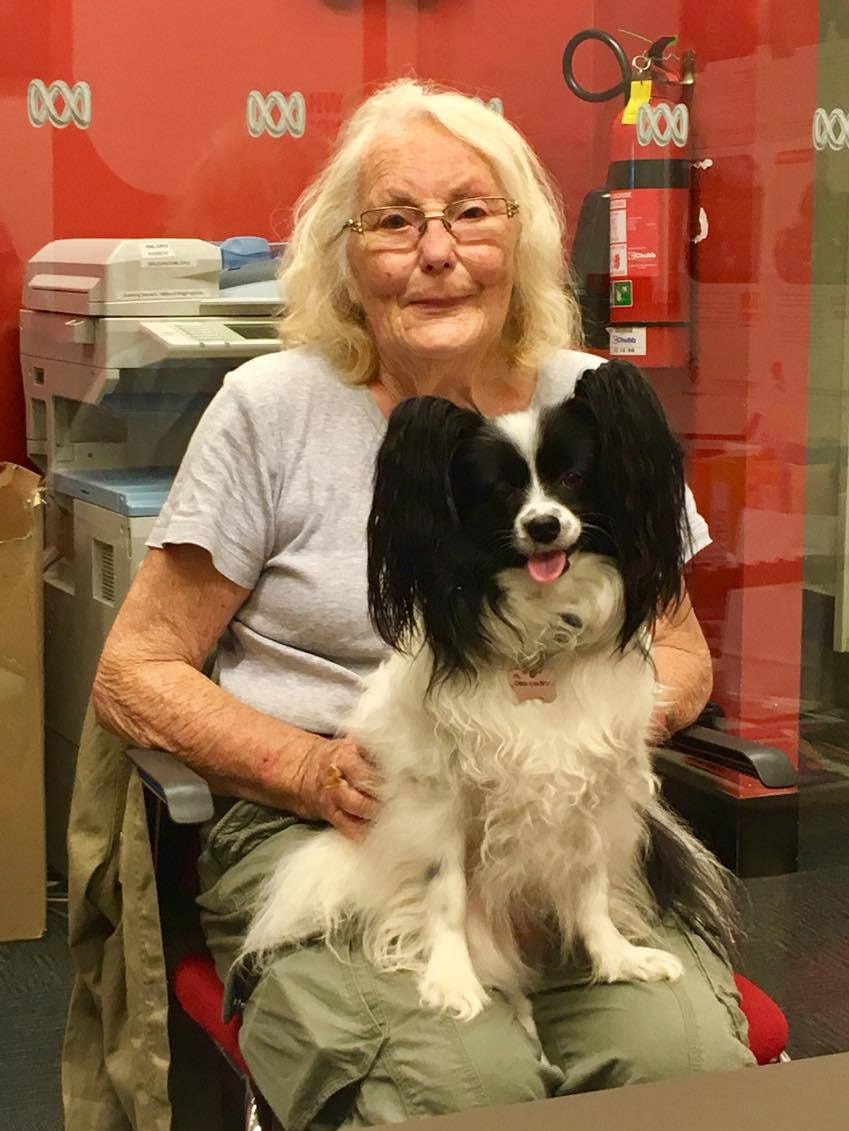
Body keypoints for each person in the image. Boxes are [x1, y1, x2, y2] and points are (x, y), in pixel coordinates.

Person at [89, 78, 754, 1130]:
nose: (436, 251)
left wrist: (590, 720)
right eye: (394, 221)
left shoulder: (591, 405)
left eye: (471, 214)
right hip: (346, 831)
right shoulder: (272, 409)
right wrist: (309, 769)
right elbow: (135, 670)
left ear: (520, 239)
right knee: (454, 1089)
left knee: (683, 1067)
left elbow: (676, 652)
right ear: (346, 259)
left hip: (563, 828)